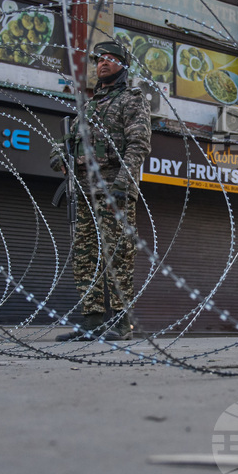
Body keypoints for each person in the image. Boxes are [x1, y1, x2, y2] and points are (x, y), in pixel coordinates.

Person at [53, 41, 151, 342]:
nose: (103, 63)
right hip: (84, 192)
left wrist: (122, 184)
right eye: (99, 59)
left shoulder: (131, 99)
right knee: (85, 256)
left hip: (112, 191)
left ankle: (122, 323)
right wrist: (60, 158)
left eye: (110, 58)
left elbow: (138, 145)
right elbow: (65, 144)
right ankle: (92, 321)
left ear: (123, 65)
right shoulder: (89, 106)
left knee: (117, 255)